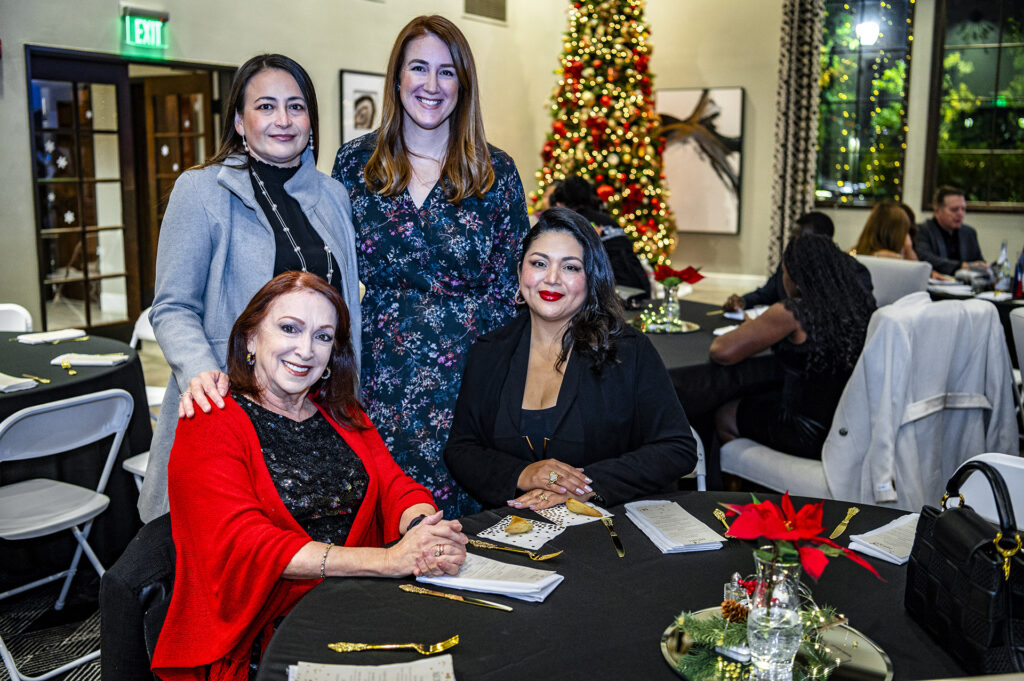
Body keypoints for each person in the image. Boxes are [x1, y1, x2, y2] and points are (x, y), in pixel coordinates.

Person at [152, 272, 467, 681]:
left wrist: (427, 532)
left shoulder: (342, 412)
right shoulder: (212, 420)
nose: (305, 350)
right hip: (263, 630)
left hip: (359, 601)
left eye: (322, 336)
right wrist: (388, 560)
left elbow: (394, 487)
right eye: (289, 329)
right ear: (250, 338)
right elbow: (249, 545)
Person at [140, 54, 361, 523]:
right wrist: (199, 371)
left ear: (311, 120)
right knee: (245, 555)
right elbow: (172, 306)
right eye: (266, 106)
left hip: (317, 410)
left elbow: (344, 313)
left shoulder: (333, 195)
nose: (283, 120)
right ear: (240, 121)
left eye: (296, 106)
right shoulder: (200, 191)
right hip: (232, 412)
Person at [332, 15, 529, 518]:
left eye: (447, 71)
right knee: (383, 520)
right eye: (419, 68)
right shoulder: (354, 165)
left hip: (469, 380)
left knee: (466, 536)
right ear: (397, 78)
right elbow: (328, 270)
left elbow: (513, 288)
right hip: (377, 375)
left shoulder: (495, 172)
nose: (432, 84)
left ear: (463, 84)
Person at [443, 207, 698, 510]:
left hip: (608, 531)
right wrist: (524, 473)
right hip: (511, 533)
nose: (551, 279)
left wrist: (584, 485)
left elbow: (676, 448)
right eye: (539, 263)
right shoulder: (489, 351)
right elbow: (462, 449)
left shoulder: (629, 351)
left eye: (571, 268)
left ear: (592, 278)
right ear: (520, 272)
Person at [711, 234, 876, 460]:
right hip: (847, 428)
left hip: (806, 433)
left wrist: (756, 327)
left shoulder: (794, 312)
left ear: (796, 278)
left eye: (784, 272)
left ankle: (755, 482)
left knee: (724, 414)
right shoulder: (861, 307)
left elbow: (721, 351)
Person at [722, 212, 872, 311]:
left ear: (823, 241)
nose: (793, 246)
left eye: (800, 240)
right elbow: (766, 293)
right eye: (792, 239)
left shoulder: (853, 270)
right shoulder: (789, 263)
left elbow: (858, 311)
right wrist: (743, 301)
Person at [550, 176, 651, 298]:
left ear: (560, 203)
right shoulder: (607, 220)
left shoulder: (570, 224)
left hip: (609, 294)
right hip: (640, 285)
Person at [914, 185, 986, 276]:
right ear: (937, 211)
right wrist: (961, 266)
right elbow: (926, 259)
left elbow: (978, 261)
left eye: (963, 209)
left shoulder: (969, 233)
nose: (960, 214)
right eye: (954, 209)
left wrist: (984, 267)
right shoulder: (924, 230)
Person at [851, 200, 916, 259]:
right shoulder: (895, 259)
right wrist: (908, 249)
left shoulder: (853, 253)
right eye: (905, 232)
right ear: (897, 234)